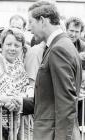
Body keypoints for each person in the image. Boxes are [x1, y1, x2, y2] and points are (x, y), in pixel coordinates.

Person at [25, 1, 82, 140]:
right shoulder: (62, 44)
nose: (28, 28)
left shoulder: (58, 49)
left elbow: (66, 102)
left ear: (43, 21)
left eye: (31, 22)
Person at [0, 28, 33, 140]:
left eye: (17, 45)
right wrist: (3, 99)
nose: (12, 48)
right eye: (9, 44)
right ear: (2, 45)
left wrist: (24, 95)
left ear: (22, 48)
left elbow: (25, 86)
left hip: (17, 121)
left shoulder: (19, 65)